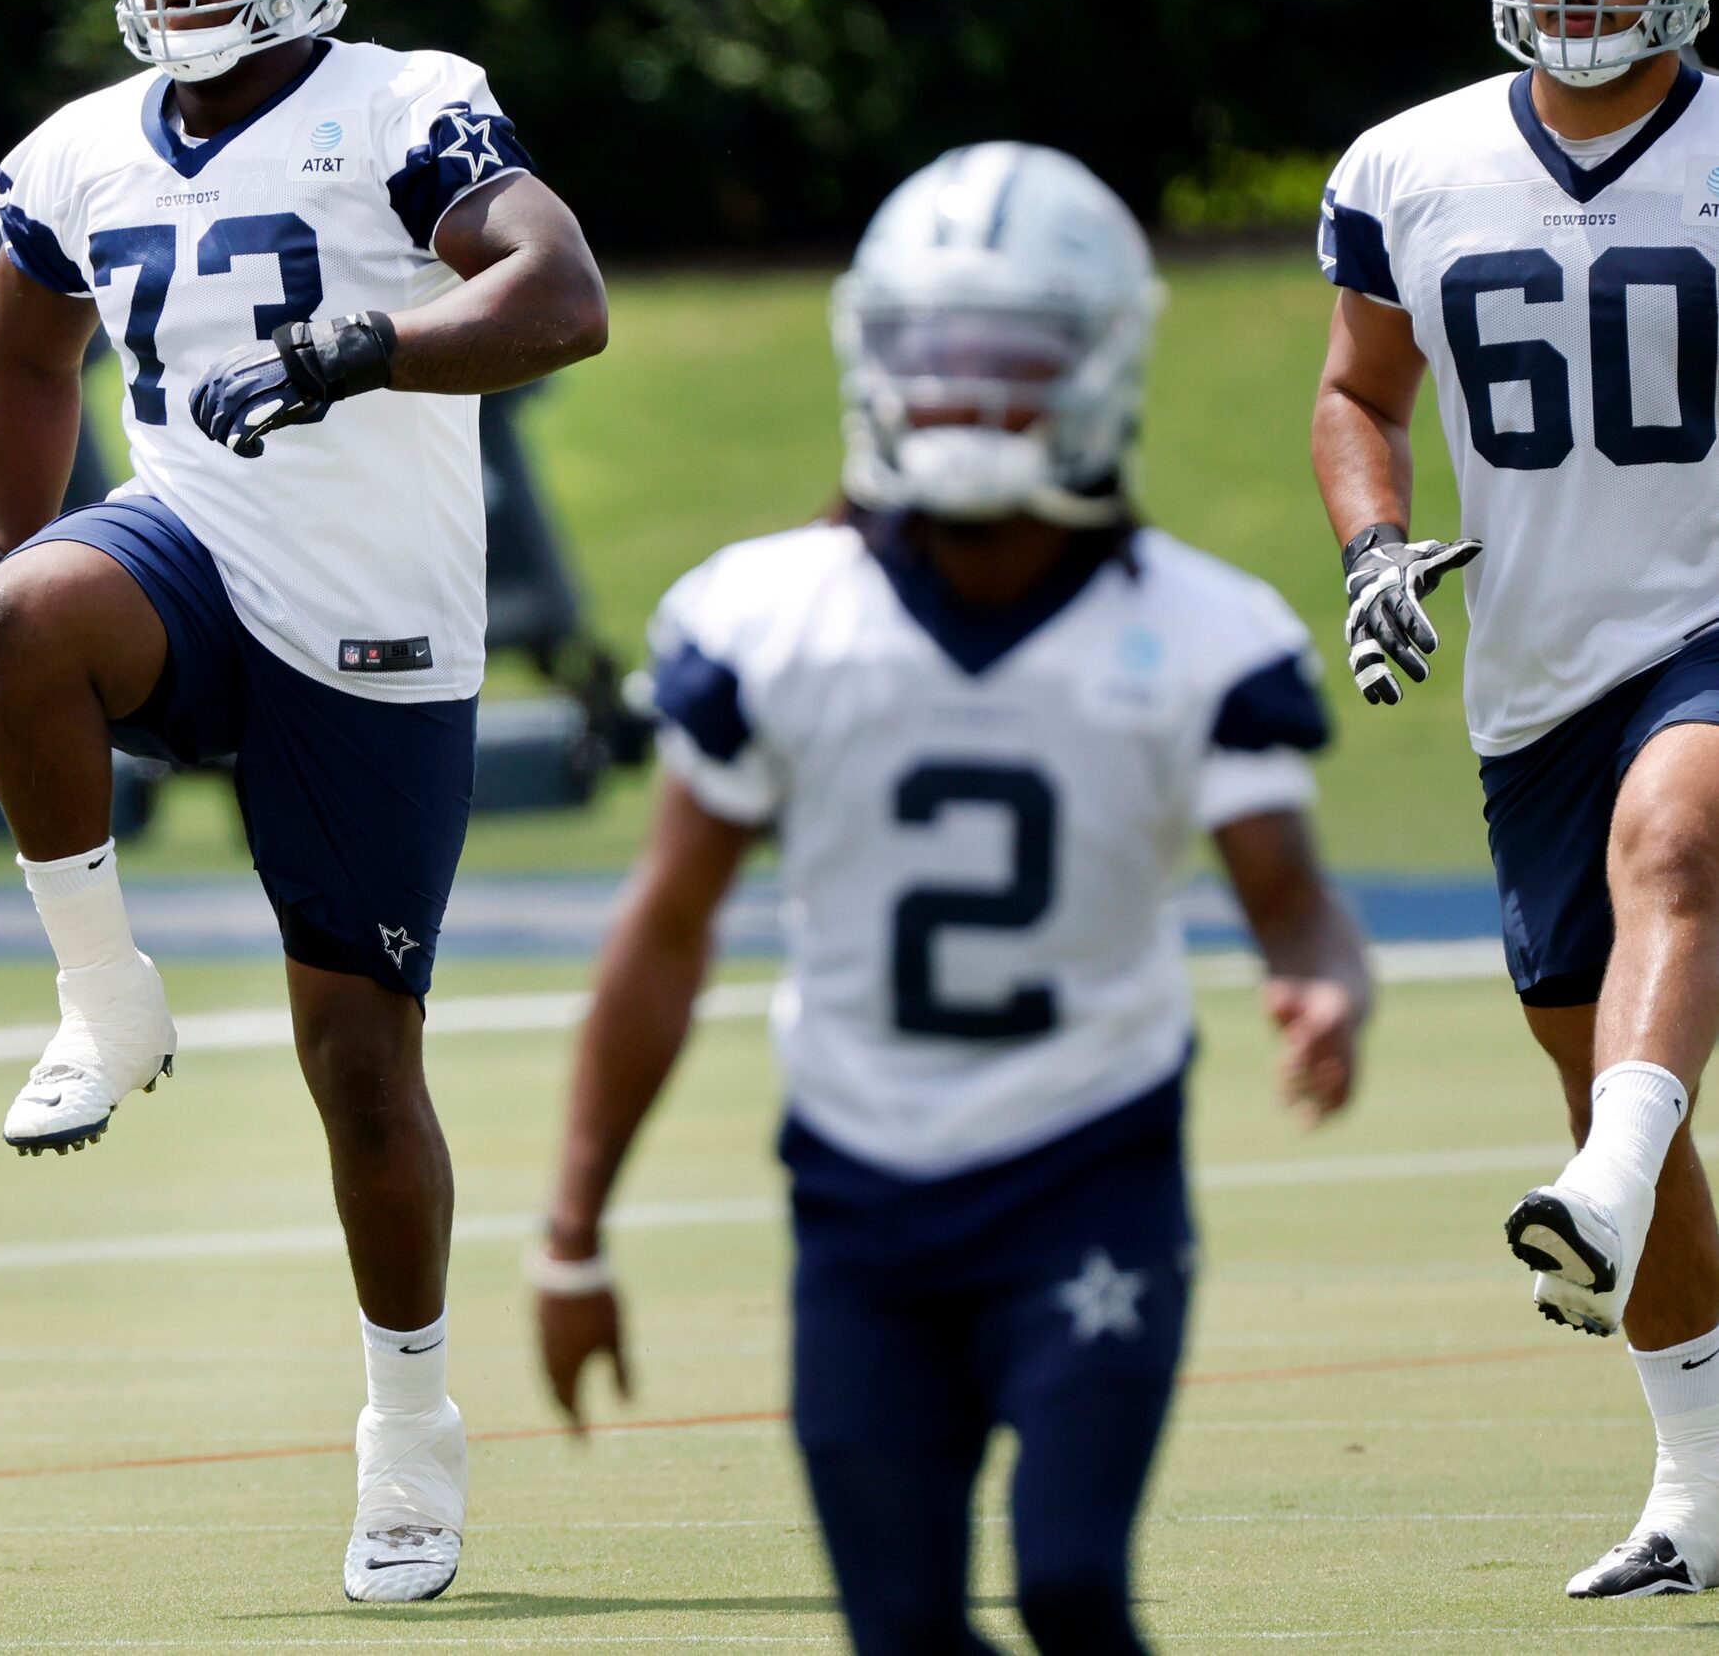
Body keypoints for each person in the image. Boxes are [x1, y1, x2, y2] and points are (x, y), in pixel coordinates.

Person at [536, 145, 1370, 1655]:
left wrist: (1324, 982)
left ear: (1100, 368)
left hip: (1085, 1170)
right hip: (859, 1198)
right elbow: (664, 932)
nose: (970, 401)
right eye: (941, 362)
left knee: (1066, 1586)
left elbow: (1294, 898)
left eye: (1015, 365)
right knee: (907, 1631)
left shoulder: (1199, 634)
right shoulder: (771, 618)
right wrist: (572, 1236)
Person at [0, 0, 608, 1602]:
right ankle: (106, 994)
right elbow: (27, 358)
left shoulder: (403, 108)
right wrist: (38, 560)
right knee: (23, 611)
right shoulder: (78, 149)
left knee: (360, 1068)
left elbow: (563, 297)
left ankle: (409, 1429)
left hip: (378, 627)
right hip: (184, 568)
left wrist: (358, 345)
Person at [1314, 0, 1719, 1599]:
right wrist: (1373, 543)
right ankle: (1704, 1484)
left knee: (1678, 840)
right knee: (1604, 1057)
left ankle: (1610, 1191)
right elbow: (1358, 393)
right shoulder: (1407, 162)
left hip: (1707, 626)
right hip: (1537, 666)